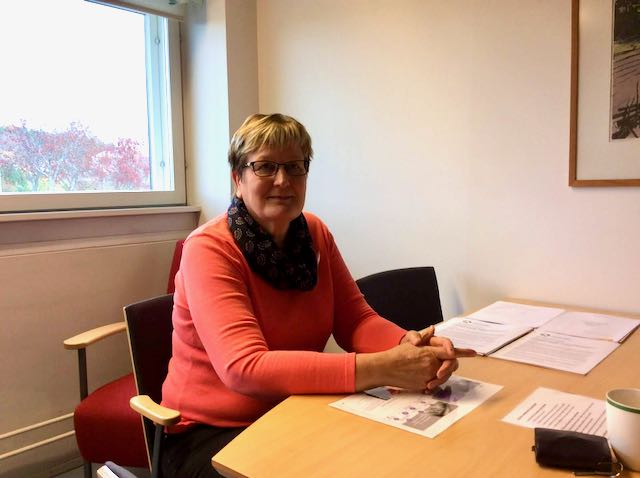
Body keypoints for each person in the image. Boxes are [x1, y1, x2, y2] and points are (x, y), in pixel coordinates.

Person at [160, 113, 476, 477]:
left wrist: (410, 345)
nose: (283, 180)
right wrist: (383, 368)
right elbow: (244, 369)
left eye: (295, 167)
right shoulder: (209, 249)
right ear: (238, 179)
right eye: (265, 167)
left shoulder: (315, 233)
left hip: (297, 410)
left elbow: (355, 320)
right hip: (211, 434)